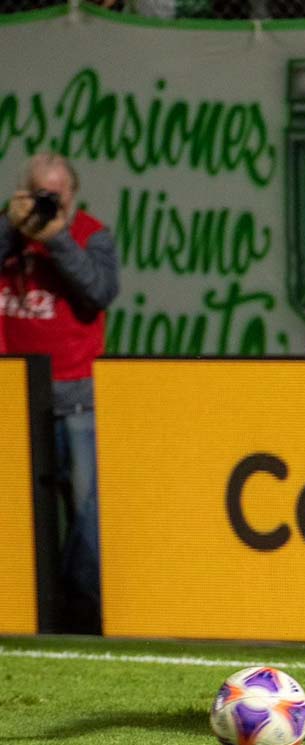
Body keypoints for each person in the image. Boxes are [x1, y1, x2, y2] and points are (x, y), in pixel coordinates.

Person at [0, 153, 120, 634]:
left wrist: (58, 240)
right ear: (23, 192)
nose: (49, 202)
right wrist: (13, 229)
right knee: (17, 511)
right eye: (38, 192)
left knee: (87, 512)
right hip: (12, 395)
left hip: (75, 394)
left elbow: (99, 292)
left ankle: (80, 610)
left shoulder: (91, 234)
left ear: (72, 194)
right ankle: (26, 606)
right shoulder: (9, 236)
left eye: (57, 194)